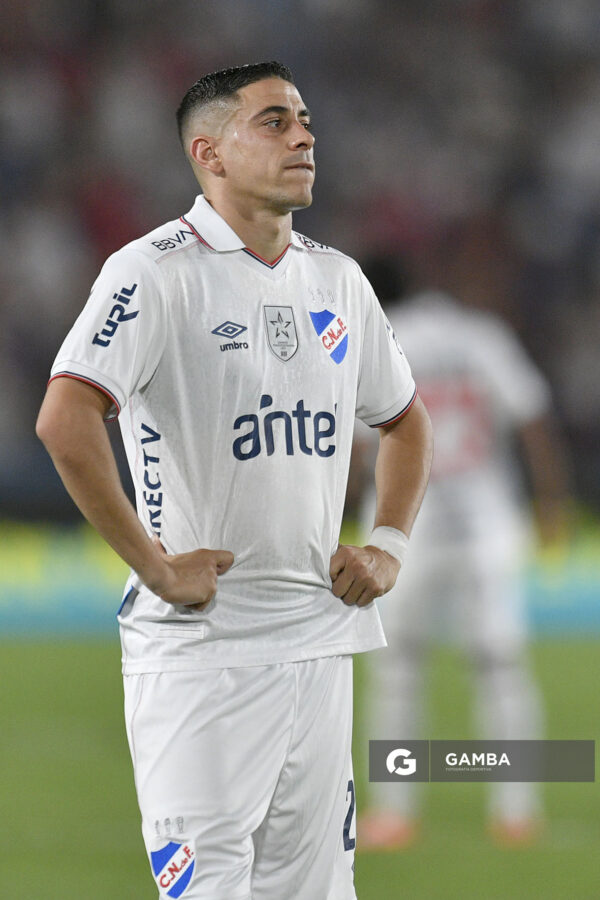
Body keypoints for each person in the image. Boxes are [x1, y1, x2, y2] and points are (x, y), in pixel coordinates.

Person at [36, 62, 433, 900]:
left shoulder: (338, 280)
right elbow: (64, 418)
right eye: (276, 122)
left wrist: (390, 544)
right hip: (203, 656)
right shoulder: (152, 272)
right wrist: (152, 564)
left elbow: (404, 420)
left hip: (320, 642)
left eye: (307, 121)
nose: (305, 137)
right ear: (209, 152)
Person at [354, 281, 570, 850]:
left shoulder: (384, 334)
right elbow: (533, 415)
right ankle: (517, 810)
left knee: (398, 670)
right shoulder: (483, 336)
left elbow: (353, 443)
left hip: (403, 527)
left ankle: (395, 811)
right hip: (486, 522)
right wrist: (551, 499)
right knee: (501, 666)